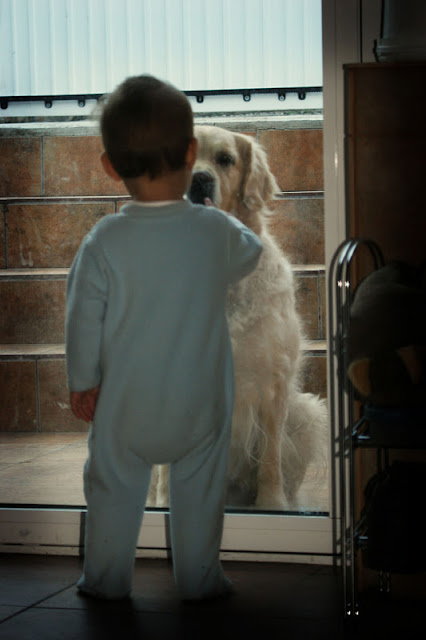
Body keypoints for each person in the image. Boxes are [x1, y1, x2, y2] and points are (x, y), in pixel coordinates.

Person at [66, 75, 262, 601]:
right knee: (199, 494)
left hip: (124, 408)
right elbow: (251, 252)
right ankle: (200, 580)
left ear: (110, 166)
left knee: (112, 490)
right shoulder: (213, 231)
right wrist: (209, 220)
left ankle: (106, 581)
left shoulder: (103, 239)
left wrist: (83, 381)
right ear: (191, 153)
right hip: (200, 407)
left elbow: (81, 316)